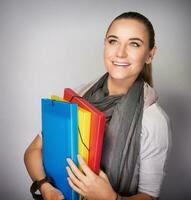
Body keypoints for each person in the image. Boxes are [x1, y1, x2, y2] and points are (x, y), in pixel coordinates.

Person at [24, 11, 171, 200]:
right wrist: (46, 188)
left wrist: (111, 198)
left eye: (134, 44)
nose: (120, 52)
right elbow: (34, 150)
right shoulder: (80, 94)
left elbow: (150, 197)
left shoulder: (154, 120)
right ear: (105, 45)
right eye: (113, 41)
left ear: (150, 55)